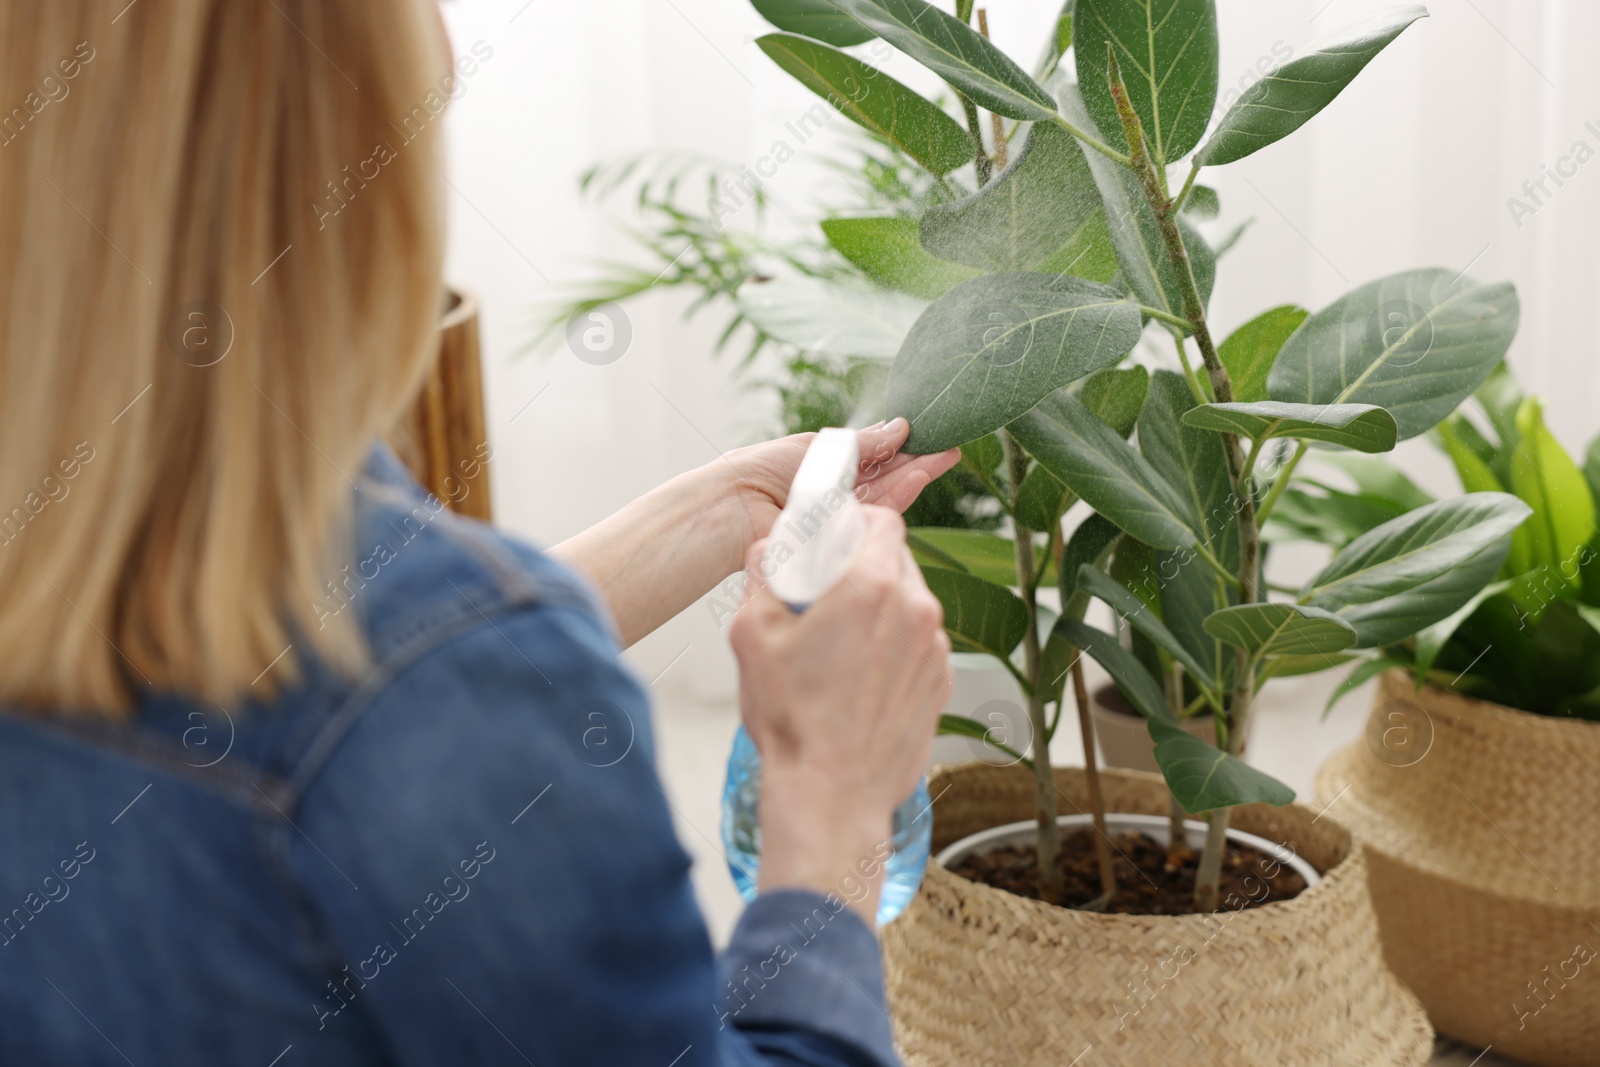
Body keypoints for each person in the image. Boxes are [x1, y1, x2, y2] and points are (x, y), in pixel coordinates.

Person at [0, 2, 960, 1064]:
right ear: (319, 121)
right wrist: (833, 789)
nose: (448, 58)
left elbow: (336, 664)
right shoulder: (440, 705)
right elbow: (397, 705)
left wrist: (716, 511)